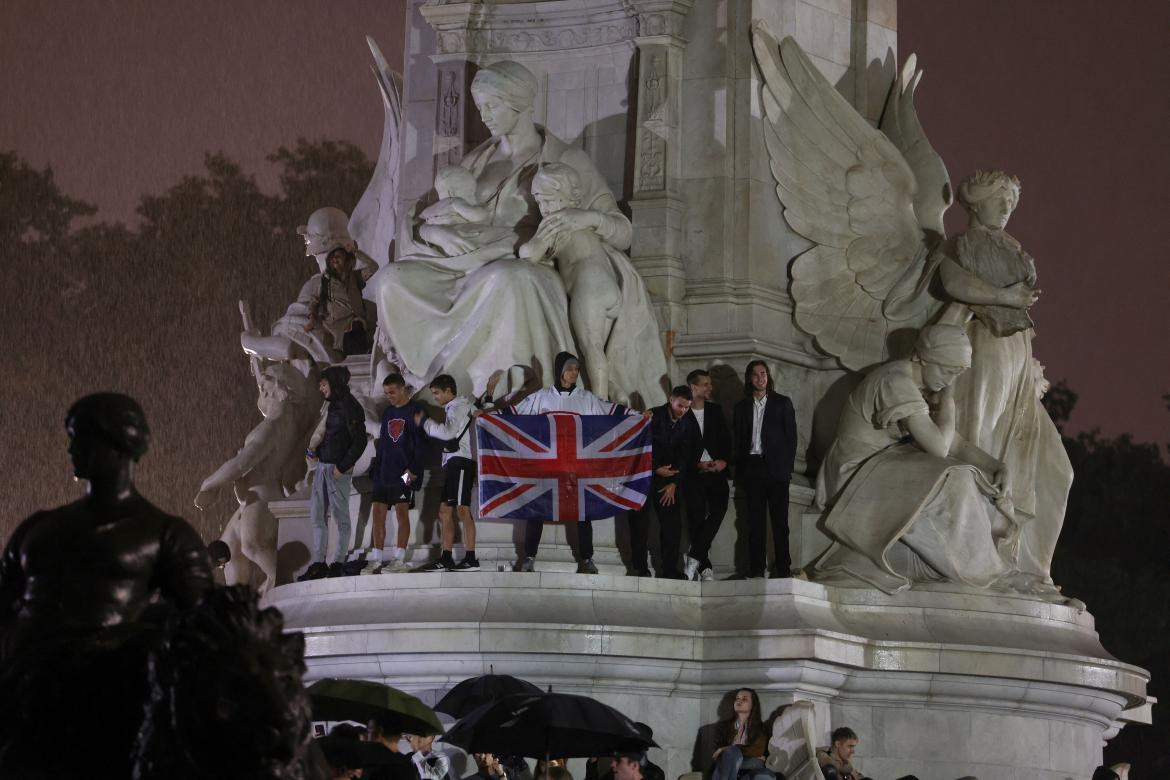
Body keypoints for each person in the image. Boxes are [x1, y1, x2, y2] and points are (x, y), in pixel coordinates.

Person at [368, 60, 667, 408]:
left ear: (519, 103)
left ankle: (502, 393)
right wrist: (438, 233)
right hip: (462, 261)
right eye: (480, 107)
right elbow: (435, 213)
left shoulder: (566, 160)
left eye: (491, 105)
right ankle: (430, 388)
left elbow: (622, 231)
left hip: (530, 261)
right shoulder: (475, 162)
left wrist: (581, 218)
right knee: (392, 279)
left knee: (508, 278)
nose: (484, 116)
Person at [0, 393, 215, 778]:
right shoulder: (37, 529)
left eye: (80, 438)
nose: (70, 449)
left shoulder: (165, 534)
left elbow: (203, 622)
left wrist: (134, 637)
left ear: (119, 443)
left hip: (102, 700)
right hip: (20, 691)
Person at [810, 325, 1034, 596]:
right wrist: (949, 404)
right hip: (855, 473)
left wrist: (997, 467)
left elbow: (956, 443)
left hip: (884, 464)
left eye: (957, 374)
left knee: (978, 481)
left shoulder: (915, 385)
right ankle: (988, 575)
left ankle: (982, 569)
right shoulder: (894, 381)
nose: (950, 381)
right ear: (920, 358)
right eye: (947, 371)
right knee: (956, 476)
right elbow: (939, 448)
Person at [518, 162, 668, 403]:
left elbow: (530, 253)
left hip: (589, 286)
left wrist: (530, 243)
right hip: (605, 285)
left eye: (548, 200)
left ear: (566, 196)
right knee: (593, 353)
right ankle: (613, 392)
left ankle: (599, 405)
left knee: (592, 348)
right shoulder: (579, 219)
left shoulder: (556, 222)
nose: (544, 208)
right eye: (539, 202)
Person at [499, 351, 644, 573]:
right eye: (570, 368)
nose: (574, 373)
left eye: (576, 369)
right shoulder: (542, 396)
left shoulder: (586, 398)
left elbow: (611, 411)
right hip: (547, 466)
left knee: (582, 513)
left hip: (577, 468)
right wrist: (489, 415)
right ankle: (528, 557)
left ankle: (587, 559)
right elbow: (515, 411)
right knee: (536, 510)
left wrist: (639, 415)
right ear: (560, 371)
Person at [300, 365, 366, 580]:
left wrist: (343, 466)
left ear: (335, 383)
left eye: (323, 384)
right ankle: (319, 563)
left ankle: (338, 562)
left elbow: (360, 441)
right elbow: (327, 434)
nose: (321, 388)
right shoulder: (333, 406)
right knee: (317, 516)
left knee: (341, 518)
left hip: (337, 470)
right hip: (322, 467)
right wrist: (314, 451)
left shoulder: (350, 406)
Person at [732, 361, 797, 578]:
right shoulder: (741, 407)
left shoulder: (782, 403)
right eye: (755, 374)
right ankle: (756, 570)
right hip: (752, 469)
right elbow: (738, 440)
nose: (760, 378)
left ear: (768, 376)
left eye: (764, 373)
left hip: (777, 471)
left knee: (780, 524)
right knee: (754, 523)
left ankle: (784, 569)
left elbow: (792, 440)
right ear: (749, 379)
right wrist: (739, 471)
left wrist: (786, 470)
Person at [628, 386, 701, 578]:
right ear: (671, 400)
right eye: (680, 406)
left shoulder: (688, 421)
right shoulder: (654, 416)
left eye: (687, 407)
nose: (683, 411)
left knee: (672, 525)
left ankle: (669, 569)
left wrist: (674, 483)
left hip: (669, 480)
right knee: (639, 523)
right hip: (644, 475)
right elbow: (640, 444)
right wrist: (655, 468)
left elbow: (687, 455)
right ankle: (639, 568)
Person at [415, 374, 480, 572]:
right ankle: (446, 558)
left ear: (448, 391)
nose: (434, 397)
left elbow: (448, 433)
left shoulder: (458, 406)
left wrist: (425, 423)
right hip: (453, 463)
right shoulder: (456, 406)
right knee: (444, 511)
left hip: (461, 463)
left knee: (462, 509)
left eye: (436, 393)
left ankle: (471, 558)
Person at [367, 374, 427, 574]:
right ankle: (376, 559)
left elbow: (421, 444)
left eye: (392, 392)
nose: (389, 396)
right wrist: (377, 470)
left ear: (402, 389)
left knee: (401, 512)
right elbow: (383, 443)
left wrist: (414, 471)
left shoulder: (417, 410)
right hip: (384, 472)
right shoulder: (388, 412)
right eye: (386, 393)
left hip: (405, 473)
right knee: (377, 513)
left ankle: (399, 559)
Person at [683, 369, 732, 581]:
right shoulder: (682, 412)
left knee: (719, 508)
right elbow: (680, 446)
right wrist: (696, 464)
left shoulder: (715, 411)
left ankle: (693, 556)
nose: (710, 388)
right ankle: (705, 567)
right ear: (693, 387)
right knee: (695, 518)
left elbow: (726, 441)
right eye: (706, 384)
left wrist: (723, 462)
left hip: (716, 473)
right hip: (693, 474)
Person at [305, 245, 373, 356]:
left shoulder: (355, 276)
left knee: (357, 329)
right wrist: (312, 318)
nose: (334, 259)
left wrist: (357, 252)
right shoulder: (325, 281)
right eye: (332, 257)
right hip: (336, 324)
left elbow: (373, 267)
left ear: (346, 260)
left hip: (356, 319)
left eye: (338, 256)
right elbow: (314, 301)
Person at [418, 166, 493, 258]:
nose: (473, 197)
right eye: (470, 193)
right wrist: (483, 209)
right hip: (458, 239)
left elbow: (422, 220)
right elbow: (475, 216)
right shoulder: (455, 201)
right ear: (452, 193)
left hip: (438, 247)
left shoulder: (430, 210)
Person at [711, 688, 772, 780]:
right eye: (737, 698)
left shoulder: (760, 728)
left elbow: (757, 750)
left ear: (753, 704)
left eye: (744, 699)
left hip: (749, 768)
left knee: (767, 775)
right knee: (732, 753)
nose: (739, 701)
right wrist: (732, 751)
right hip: (727, 767)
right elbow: (717, 754)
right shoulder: (723, 727)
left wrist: (726, 748)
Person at [366, 712, 416, 780]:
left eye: (369, 730)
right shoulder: (408, 766)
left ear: (379, 732)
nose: (367, 738)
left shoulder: (376, 766)